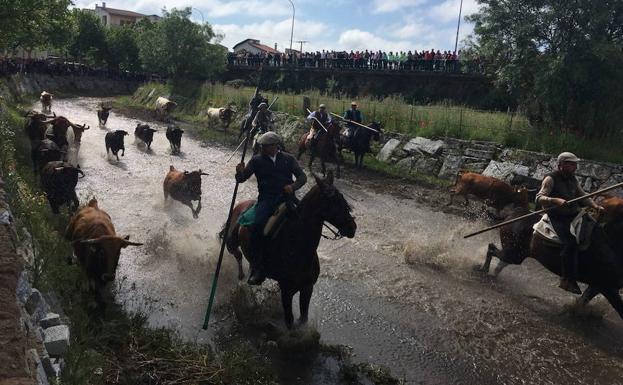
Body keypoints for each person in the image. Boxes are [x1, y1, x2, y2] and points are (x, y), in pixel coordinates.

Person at [235, 132, 307, 285]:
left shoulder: (289, 159)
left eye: (266, 146)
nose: (263, 149)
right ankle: (257, 267)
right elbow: (241, 179)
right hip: (266, 200)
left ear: (275, 146)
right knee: (257, 225)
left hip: (287, 198)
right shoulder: (256, 161)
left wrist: (293, 186)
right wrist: (239, 172)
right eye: (262, 146)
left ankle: (307, 258)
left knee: (306, 220)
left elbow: (302, 177)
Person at [536, 152, 604, 294]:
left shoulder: (573, 178)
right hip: (557, 217)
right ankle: (567, 279)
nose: (575, 166)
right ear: (562, 164)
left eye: (575, 164)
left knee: (597, 230)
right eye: (572, 164)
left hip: (574, 213)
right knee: (571, 242)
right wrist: (554, 200)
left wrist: (594, 205)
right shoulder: (550, 178)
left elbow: (583, 195)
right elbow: (539, 198)